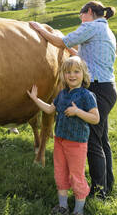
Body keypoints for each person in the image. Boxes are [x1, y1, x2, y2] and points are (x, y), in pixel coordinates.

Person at [29, 0, 117, 199]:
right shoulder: (106, 30)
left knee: (93, 143)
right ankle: (107, 184)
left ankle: (98, 193)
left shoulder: (91, 26)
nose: (80, 19)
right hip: (108, 88)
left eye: (81, 15)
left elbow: (61, 41)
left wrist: (39, 29)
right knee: (102, 140)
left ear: (88, 12)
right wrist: (72, 54)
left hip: (96, 88)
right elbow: (87, 57)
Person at [27, 56, 99, 215]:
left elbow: (95, 118)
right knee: (60, 173)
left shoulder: (87, 95)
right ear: (63, 75)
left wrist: (78, 112)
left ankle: (78, 210)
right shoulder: (61, 94)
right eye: (67, 72)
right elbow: (50, 110)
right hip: (60, 141)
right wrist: (35, 99)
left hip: (77, 143)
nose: (72, 75)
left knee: (76, 175)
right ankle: (63, 206)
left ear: (84, 74)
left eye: (76, 71)